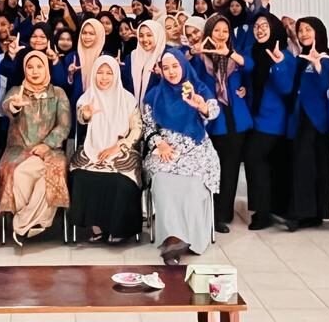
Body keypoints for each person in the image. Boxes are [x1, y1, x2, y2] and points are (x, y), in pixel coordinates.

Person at [143, 48, 220, 264]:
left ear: (183, 66)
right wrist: (159, 143)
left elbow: (213, 112)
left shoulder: (198, 89)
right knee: (162, 184)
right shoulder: (154, 95)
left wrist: (200, 105)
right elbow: (148, 126)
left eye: (175, 66)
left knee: (193, 187)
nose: (171, 72)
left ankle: (187, 239)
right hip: (166, 150)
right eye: (166, 68)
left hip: (196, 149)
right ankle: (173, 239)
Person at [0, 51, 71, 243]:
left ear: (46, 68)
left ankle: (23, 223)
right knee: (19, 172)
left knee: (53, 170)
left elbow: (64, 126)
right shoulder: (17, 91)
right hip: (19, 150)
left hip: (51, 150)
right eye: (30, 67)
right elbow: (7, 106)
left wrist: (47, 145)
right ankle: (34, 222)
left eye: (39, 66)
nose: (35, 71)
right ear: (24, 70)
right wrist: (15, 106)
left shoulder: (58, 93)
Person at [71, 56, 142, 243]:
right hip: (92, 147)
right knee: (80, 175)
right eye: (100, 72)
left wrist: (120, 146)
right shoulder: (87, 98)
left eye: (109, 73)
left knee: (122, 180)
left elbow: (137, 128)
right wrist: (86, 114)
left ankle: (119, 229)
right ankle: (97, 227)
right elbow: (81, 117)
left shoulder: (127, 99)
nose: (104, 77)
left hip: (121, 148)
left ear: (116, 75)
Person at [195, 14, 254, 233]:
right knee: (212, 169)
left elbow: (250, 66)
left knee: (230, 169)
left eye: (225, 31)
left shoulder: (235, 55)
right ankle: (210, 213)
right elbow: (190, 75)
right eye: (216, 30)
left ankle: (224, 213)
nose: (221, 35)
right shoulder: (201, 57)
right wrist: (195, 51)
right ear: (209, 32)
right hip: (212, 120)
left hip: (235, 120)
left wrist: (228, 53)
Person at [278, 16, 329, 231]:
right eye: (301, 30)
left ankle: (302, 213)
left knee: (309, 165)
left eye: (308, 30)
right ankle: (309, 213)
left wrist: (318, 65)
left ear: (318, 32)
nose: (303, 34)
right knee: (303, 164)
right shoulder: (301, 58)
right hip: (299, 116)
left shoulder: (326, 57)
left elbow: (325, 85)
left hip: (315, 119)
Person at [247, 12, 293, 230]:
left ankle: (263, 212)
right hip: (255, 118)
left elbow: (286, 88)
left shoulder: (284, 54)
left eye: (264, 25)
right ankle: (266, 208)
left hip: (273, 119)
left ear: (274, 28)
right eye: (256, 26)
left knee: (255, 159)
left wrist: (278, 64)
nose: (260, 29)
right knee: (261, 164)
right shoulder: (254, 52)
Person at [125, 19, 165, 104]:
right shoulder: (131, 58)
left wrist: (163, 76)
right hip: (133, 109)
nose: (145, 39)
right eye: (141, 35)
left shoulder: (165, 59)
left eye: (149, 35)